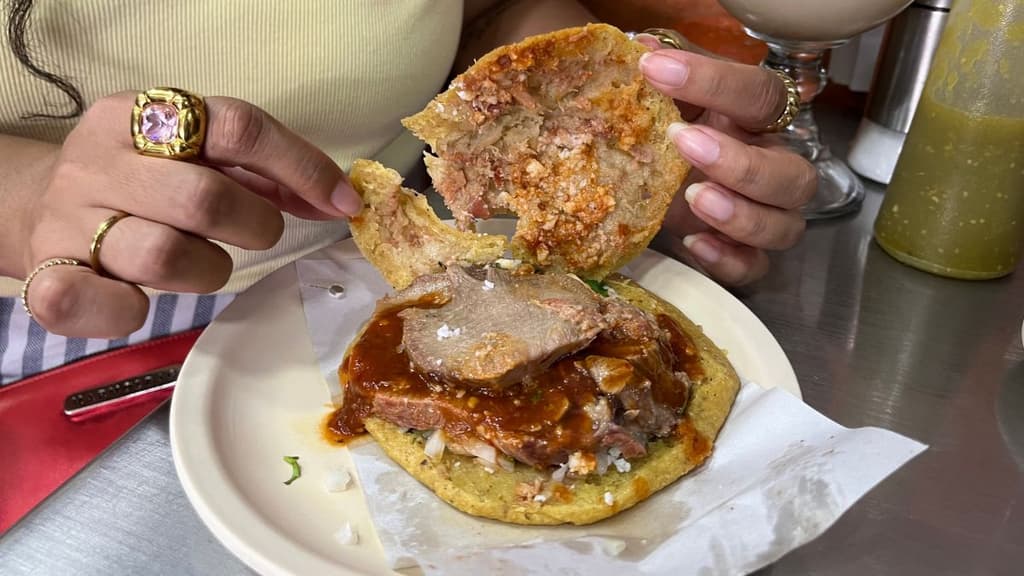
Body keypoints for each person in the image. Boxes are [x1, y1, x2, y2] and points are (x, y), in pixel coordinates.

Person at [0, 0, 815, 385]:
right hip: (62, 321)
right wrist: (30, 199)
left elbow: (490, 12)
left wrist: (602, 135)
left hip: (398, 279)